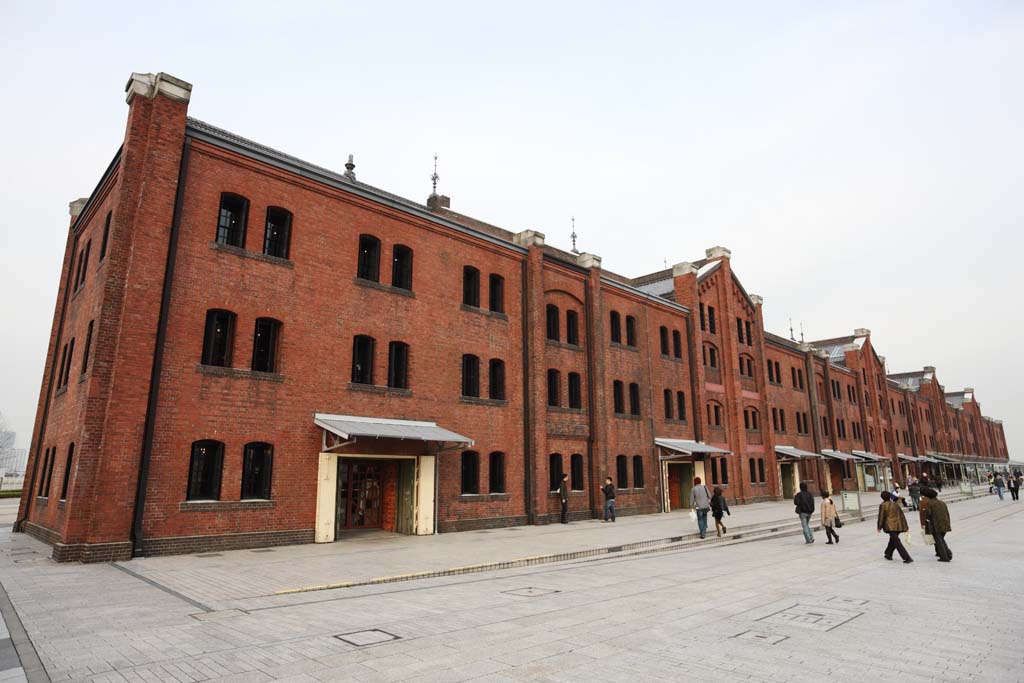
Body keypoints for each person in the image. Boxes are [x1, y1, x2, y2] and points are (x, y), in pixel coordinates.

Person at [877, 491, 913, 563]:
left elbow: (881, 517)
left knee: (896, 542)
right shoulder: (895, 504)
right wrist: (905, 525)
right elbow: (902, 515)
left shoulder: (883, 505)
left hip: (890, 526)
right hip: (899, 525)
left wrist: (879, 526)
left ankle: (907, 558)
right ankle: (888, 554)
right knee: (893, 540)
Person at [921, 487, 952, 562]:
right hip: (945, 523)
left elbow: (928, 514)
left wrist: (924, 512)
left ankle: (944, 557)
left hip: (936, 525)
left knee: (939, 540)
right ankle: (948, 554)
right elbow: (947, 513)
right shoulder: (942, 502)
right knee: (941, 539)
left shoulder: (930, 503)